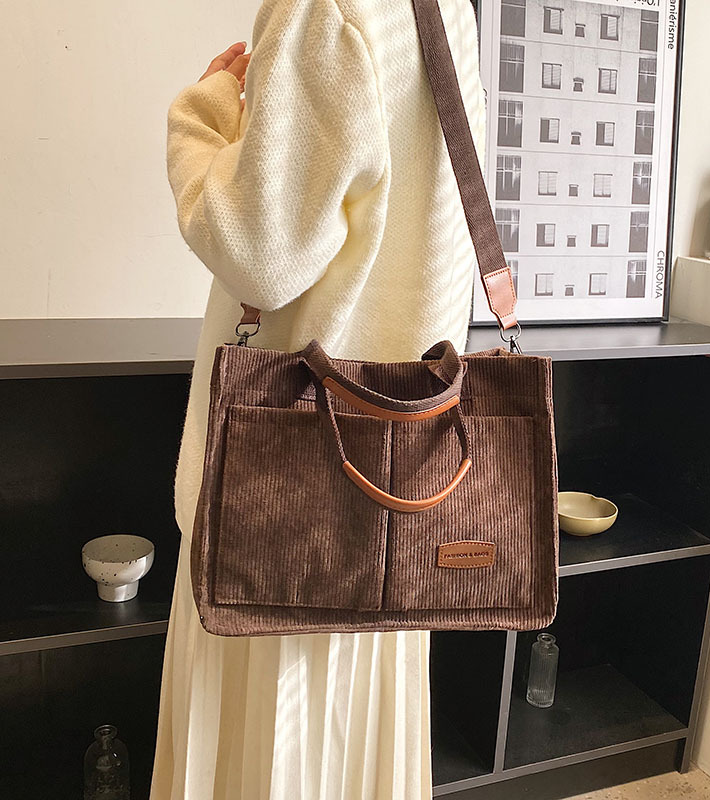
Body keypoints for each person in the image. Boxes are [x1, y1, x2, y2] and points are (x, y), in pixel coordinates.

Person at [152, 1, 485, 797]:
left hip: (282, 503)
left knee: (269, 750)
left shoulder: (321, 7)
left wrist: (201, 115)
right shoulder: (447, 11)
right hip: (394, 497)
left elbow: (258, 253)